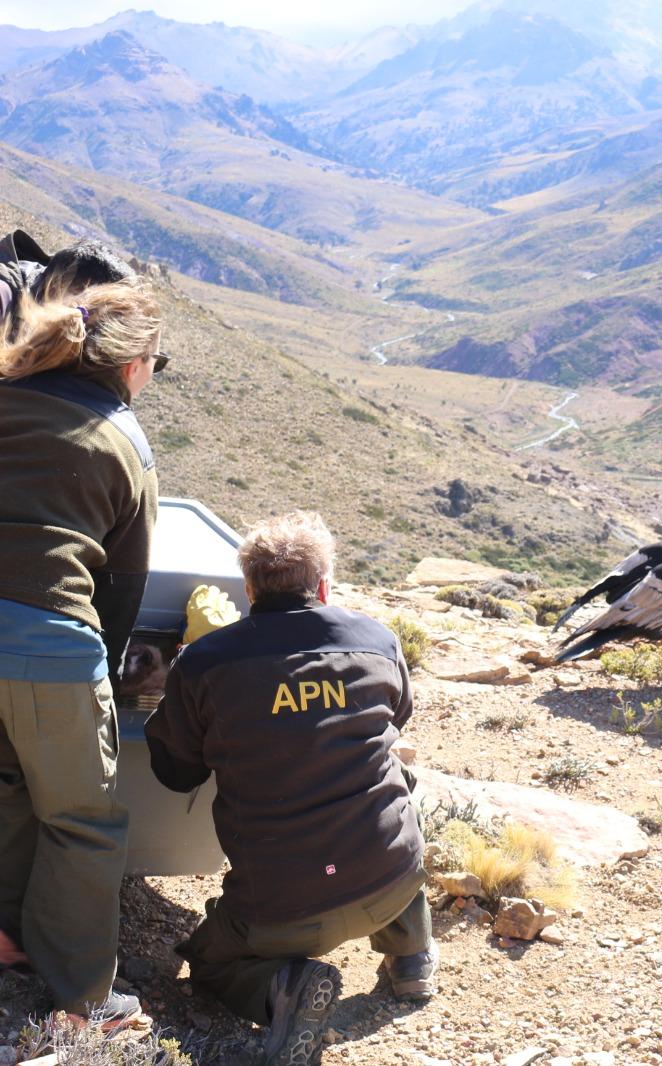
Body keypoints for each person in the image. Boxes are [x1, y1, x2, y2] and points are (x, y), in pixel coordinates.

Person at [145, 511, 435, 1066]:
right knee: (390, 788)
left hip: (282, 910)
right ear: (323, 584)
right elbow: (399, 715)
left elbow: (174, 771)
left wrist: (195, 664)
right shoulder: (377, 640)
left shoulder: (207, 661)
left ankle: (288, 987)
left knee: (208, 962)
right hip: (392, 877)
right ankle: (411, 957)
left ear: (249, 589)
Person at [0, 275, 165, 1026]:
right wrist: (114, 685)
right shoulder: (124, 439)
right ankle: (84, 999)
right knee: (81, 820)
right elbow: (121, 593)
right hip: (48, 649)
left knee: (6, 795)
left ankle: (9, 939)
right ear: (133, 365)